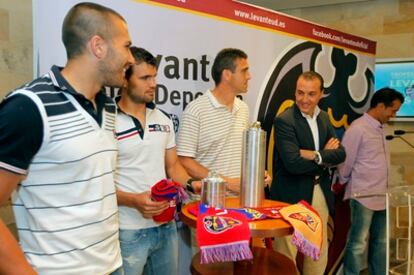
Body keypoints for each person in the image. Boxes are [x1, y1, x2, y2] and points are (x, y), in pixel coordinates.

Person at [0, 3, 134, 274]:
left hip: (113, 265)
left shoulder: (107, 106)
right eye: (127, 46)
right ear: (98, 46)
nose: (131, 58)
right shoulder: (28, 107)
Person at [115, 47, 201, 275]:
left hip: (166, 226)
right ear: (124, 80)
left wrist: (193, 184)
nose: (153, 84)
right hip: (127, 231)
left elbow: (172, 167)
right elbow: (98, 182)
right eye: (145, 78)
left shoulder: (163, 119)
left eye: (154, 77)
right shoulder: (107, 121)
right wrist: (133, 200)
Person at [270, 71, 346, 275]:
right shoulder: (285, 120)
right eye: (300, 93)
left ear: (321, 94)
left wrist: (314, 155)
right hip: (290, 195)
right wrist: (324, 158)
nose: (304, 99)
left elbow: (340, 154)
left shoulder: (322, 117)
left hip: (318, 191)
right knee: (286, 254)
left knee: (318, 250)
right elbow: (293, 163)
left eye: (311, 94)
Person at [338, 88, 404, 275]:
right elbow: (345, 161)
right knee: (358, 243)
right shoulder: (358, 128)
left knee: (381, 243)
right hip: (363, 197)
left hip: (383, 196)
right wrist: (343, 182)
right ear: (381, 106)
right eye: (393, 110)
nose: (394, 115)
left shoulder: (382, 128)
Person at [176, 48, 251, 192]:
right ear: (227, 74)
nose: (249, 76)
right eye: (244, 71)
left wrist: (258, 174)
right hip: (204, 205)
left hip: (239, 205)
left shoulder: (243, 109)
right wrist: (225, 183)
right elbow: (184, 161)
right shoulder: (196, 110)